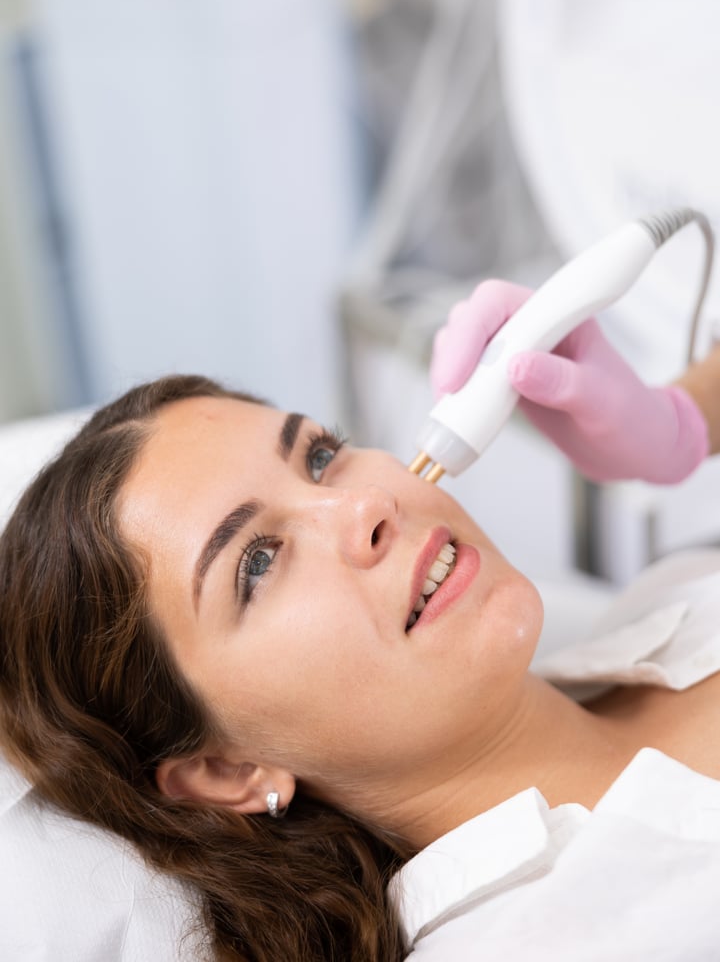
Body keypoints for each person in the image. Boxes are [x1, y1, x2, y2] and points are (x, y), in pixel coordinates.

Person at [0, 282, 719, 962]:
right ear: (228, 770)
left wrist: (690, 417)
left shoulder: (674, 595)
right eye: (257, 562)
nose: (367, 505)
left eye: (319, 458)